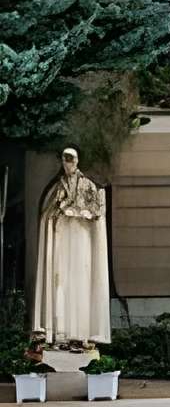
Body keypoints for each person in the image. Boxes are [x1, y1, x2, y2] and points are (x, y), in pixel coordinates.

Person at [31, 146, 110, 348]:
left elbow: (97, 211)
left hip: (81, 238)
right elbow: (48, 213)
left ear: (77, 161)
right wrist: (59, 212)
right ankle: (61, 333)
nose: (68, 164)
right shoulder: (57, 186)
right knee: (61, 283)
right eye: (65, 160)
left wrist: (77, 212)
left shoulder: (88, 185)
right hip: (63, 239)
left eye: (71, 160)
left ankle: (81, 333)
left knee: (81, 283)